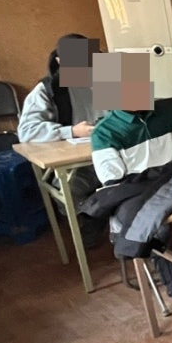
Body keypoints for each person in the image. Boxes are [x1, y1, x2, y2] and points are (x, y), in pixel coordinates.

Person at [89, 52, 172, 326]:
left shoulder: (170, 114)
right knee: (157, 230)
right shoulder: (105, 133)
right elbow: (117, 187)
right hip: (143, 197)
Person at [18, 33, 105, 246]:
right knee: (69, 190)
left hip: (118, 153)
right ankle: (93, 218)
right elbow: (27, 131)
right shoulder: (47, 89)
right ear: (60, 61)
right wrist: (72, 131)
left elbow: (144, 111)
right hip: (80, 164)